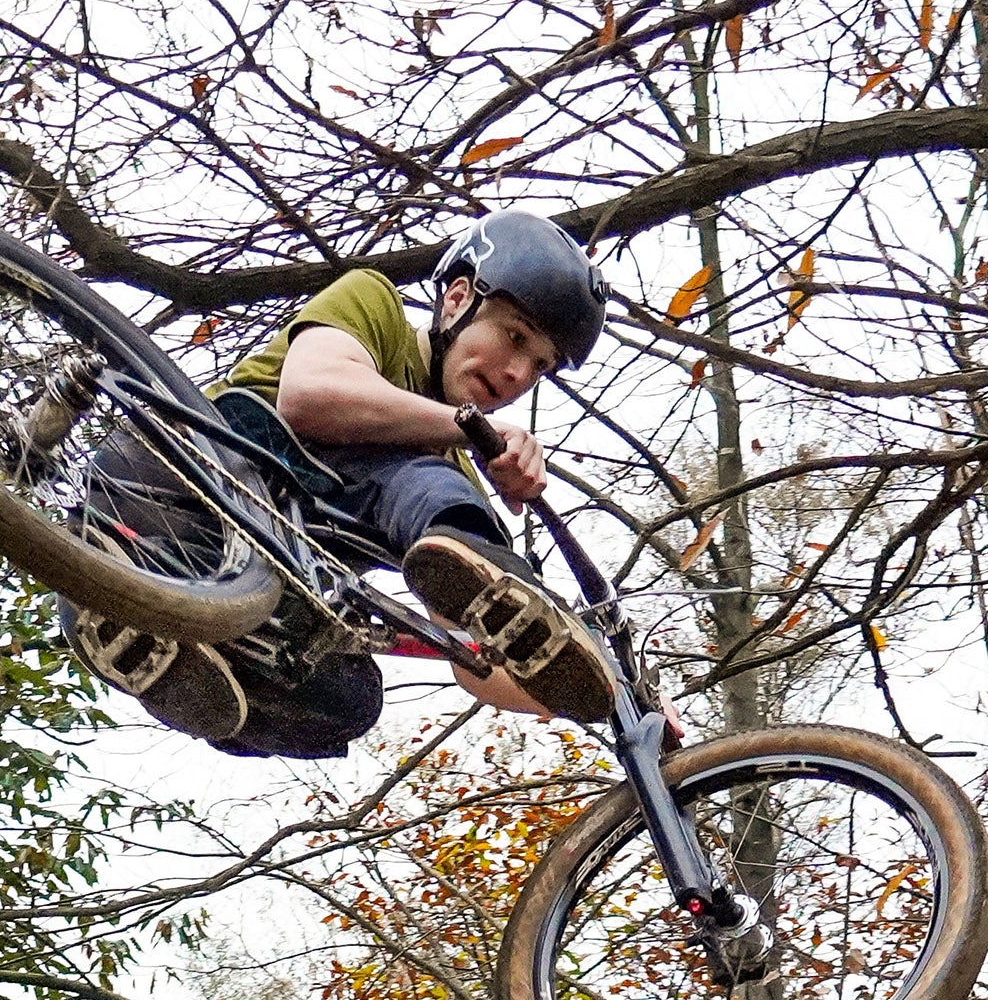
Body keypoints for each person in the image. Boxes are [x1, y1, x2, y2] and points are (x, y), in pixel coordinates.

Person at [73, 212, 623, 760]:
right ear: (457, 300)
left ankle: (156, 642)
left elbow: (477, 659)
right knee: (429, 482)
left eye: (540, 366)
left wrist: (593, 690)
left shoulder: (445, 483)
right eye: (515, 337)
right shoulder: (374, 304)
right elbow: (312, 394)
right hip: (178, 478)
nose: (518, 375)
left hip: (210, 578)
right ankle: (138, 590)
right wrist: (465, 428)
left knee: (346, 700)